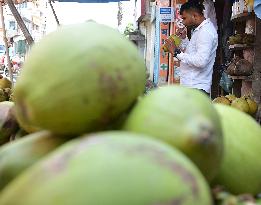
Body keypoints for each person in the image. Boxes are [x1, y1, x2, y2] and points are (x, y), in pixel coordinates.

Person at [165, 1, 218, 96]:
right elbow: (193, 52)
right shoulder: (200, 30)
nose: (183, 22)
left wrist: (176, 53)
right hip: (192, 86)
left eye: (185, 18)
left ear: (195, 16)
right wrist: (184, 39)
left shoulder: (205, 32)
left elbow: (200, 61)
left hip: (196, 88)